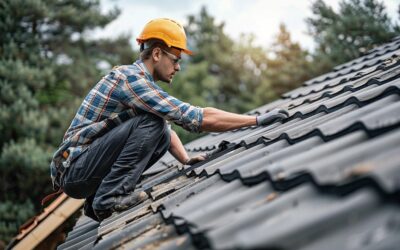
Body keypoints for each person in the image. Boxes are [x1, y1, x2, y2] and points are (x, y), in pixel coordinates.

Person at [49, 18, 289, 222]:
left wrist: (185, 158)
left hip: (82, 170)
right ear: (156, 53)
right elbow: (196, 117)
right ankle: (108, 198)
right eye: (175, 60)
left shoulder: (138, 84)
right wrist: (256, 121)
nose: (178, 67)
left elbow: (166, 128)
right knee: (152, 124)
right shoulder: (132, 80)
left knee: (160, 129)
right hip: (76, 170)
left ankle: (96, 203)